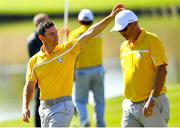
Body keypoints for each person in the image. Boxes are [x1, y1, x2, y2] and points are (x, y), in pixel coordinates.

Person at [21, 3, 124, 127]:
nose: (56, 36)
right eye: (51, 34)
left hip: (63, 106)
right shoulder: (34, 61)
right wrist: (25, 106)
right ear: (42, 38)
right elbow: (30, 85)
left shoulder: (68, 50)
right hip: (44, 108)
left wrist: (110, 17)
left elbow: (90, 32)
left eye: (56, 32)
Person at [111, 9, 170, 127]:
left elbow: (162, 70)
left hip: (151, 103)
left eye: (124, 29)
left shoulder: (152, 40)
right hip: (130, 105)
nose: (122, 33)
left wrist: (152, 99)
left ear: (134, 24)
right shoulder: (123, 46)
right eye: (119, 30)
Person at [68, 9, 105, 127]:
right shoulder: (99, 33)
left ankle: (84, 121)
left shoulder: (74, 34)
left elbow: (71, 53)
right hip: (98, 70)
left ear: (79, 21)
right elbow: (89, 34)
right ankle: (100, 123)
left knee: (80, 100)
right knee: (99, 100)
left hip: (81, 72)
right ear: (91, 20)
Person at [27, 13, 49, 127]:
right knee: (39, 103)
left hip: (47, 75)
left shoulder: (43, 36)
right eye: (46, 21)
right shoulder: (33, 40)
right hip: (38, 76)